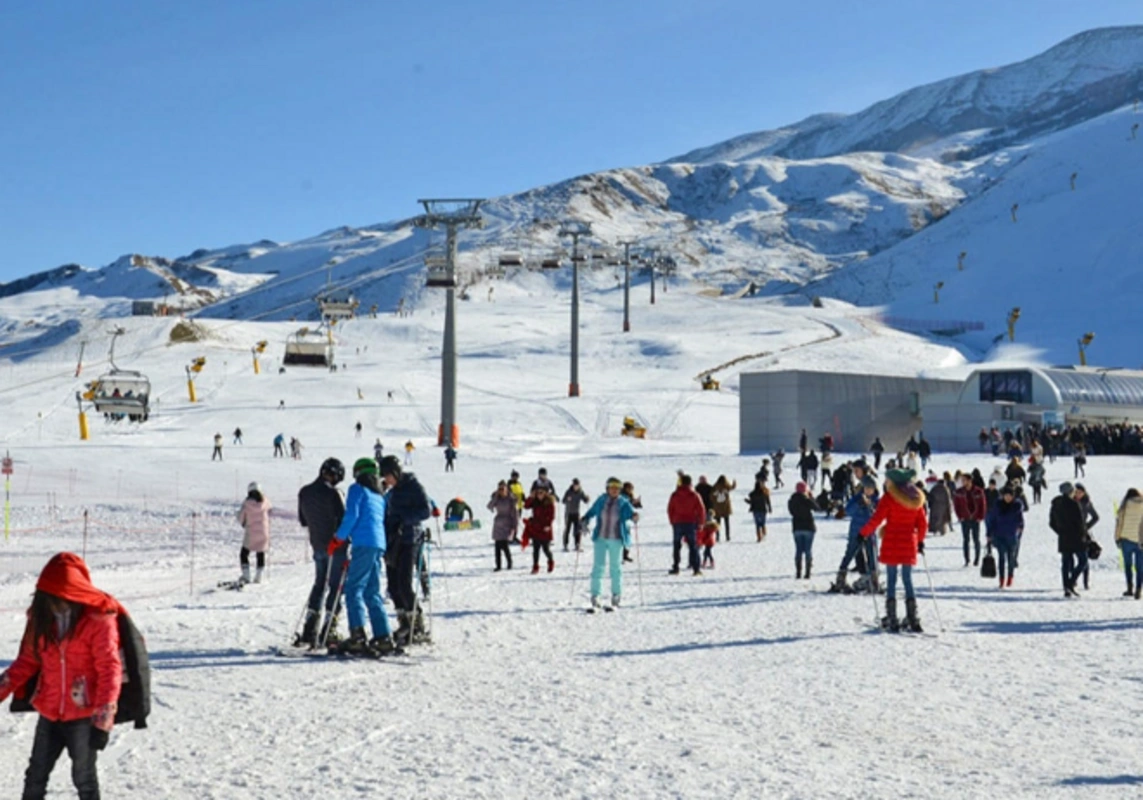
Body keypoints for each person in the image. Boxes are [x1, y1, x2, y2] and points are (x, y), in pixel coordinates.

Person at [0, 553, 124, 800]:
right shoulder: (41, 619)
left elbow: (109, 669)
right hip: (49, 711)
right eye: (49, 597)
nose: (54, 604)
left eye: (59, 597)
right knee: (35, 775)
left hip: (83, 715)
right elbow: (28, 660)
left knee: (84, 778)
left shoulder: (98, 620)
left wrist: (103, 719)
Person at [330, 457, 400, 656]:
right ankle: (383, 636)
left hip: (363, 543)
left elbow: (351, 516)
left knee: (353, 589)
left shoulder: (357, 489)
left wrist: (338, 538)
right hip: (378, 544)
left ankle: (357, 635)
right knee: (372, 591)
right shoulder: (379, 496)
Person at [860, 468, 928, 632]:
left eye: (887, 480)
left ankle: (892, 617)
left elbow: (877, 519)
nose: (885, 482)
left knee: (891, 579)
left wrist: (863, 533)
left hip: (892, 542)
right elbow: (922, 523)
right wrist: (920, 541)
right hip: (909, 543)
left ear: (894, 482)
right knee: (907, 578)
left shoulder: (889, 498)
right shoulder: (916, 498)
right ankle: (912, 617)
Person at [379, 455, 432, 646]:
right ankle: (404, 621)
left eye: (387, 475)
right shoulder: (391, 492)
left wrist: (403, 518)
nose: (386, 480)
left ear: (396, 472)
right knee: (393, 586)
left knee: (404, 584)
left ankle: (417, 624)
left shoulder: (413, 486)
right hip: (394, 540)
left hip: (410, 539)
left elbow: (425, 510)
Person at [296, 458, 347, 647]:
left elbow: (303, 520)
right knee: (335, 585)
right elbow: (344, 519)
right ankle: (329, 627)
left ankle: (310, 627)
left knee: (319, 584)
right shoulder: (334, 494)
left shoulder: (305, 492)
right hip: (336, 545)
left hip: (317, 544)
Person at [582, 477, 639, 609]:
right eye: (612, 488)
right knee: (598, 567)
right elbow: (592, 511)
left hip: (616, 539)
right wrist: (585, 518)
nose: (614, 491)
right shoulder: (601, 500)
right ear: (607, 489)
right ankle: (595, 595)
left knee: (615, 568)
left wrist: (635, 516)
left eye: (617, 489)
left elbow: (632, 513)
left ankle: (616, 595)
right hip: (600, 538)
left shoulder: (623, 502)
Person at [832, 475, 880, 593]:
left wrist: (871, 507)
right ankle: (841, 577)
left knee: (872, 555)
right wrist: (859, 504)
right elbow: (848, 511)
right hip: (856, 531)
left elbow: (879, 515)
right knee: (850, 553)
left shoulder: (876, 500)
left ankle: (873, 580)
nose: (869, 491)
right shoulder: (857, 498)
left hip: (870, 532)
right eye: (867, 488)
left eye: (871, 488)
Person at [1049, 482, 1087, 598]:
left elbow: (1051, 523)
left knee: (1065, 563)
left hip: (1063, 537)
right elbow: (1080, 523)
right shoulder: (1074, 504)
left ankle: (1066, 586)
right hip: (1076, 538)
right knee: (1083, 561)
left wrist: (1060, 531)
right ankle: (1071, 581)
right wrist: (1083, 535)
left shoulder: (1056, 504)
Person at [986, 484, 1025, 588]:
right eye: (1006, 495)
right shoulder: (998, 506)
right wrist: (989, 533)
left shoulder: (1017, 506)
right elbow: (991, 520)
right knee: (1001, 558)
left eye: (1010, 496)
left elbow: (1020, 520)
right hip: (999, 535)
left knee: (1011, 558)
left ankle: (1010, 577)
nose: (1008, 497)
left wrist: (1020, 528)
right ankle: (1002, 579)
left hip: (1012, 535)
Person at [667, 474, 705, 576]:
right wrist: (701, 522)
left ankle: (676, 567)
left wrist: (672, 521)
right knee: (693, 546)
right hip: (691, 523)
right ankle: (696, 568)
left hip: (677, 523)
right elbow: (701, 509)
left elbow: (670, 509)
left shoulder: (675, 495)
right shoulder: (694, 495)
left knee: (676, 546)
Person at [237, 482, 272, 584]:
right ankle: (258, 577)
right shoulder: (265, 502)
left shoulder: (246, 504)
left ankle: (246, 575)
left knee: (244, 553)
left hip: (251, 533)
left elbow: (241, 518)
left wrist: (243, 523)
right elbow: (270, 509)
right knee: (260, 553)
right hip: (264, 533)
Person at [1114, 488, 1143, 599]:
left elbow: (1119, 523)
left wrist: (1117, 537)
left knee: (1128, 565)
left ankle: (1130, 588)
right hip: (1140, 540)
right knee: (1140, 567)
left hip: (1126, 539)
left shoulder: (1125, 505)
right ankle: (1138, 590)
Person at [953, 472, 986, 567]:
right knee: (966, 540)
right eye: (962, 480)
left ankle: (977, 559)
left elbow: (983, 505)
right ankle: (967, 559)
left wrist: (980, 517)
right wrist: (960, 517)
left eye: (964, 480)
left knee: (976, 539)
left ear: (970, 481)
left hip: (975, 519)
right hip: (965, 518)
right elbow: (956, 506)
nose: (963, 482)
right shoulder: (959, 492)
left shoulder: (978, 491)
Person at [523, 484, 557, 574]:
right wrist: (530, 497)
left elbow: (551, 516)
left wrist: (548, 525)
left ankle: (550, 561)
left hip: (545, 529)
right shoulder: (534, 501)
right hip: (536, 528)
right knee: (536, 549)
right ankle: (535, 566)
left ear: (545, 493)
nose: (539, 495)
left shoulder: (549, 502)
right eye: (537, 493)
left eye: (541, 493)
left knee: (546, 549)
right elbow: (526, 506)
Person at [788, 481, 819, 579]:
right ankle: (807, 573)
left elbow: (791, 512)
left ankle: (798, 572)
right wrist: (811, 498)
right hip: (808, 527)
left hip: (797, 527)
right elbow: (817, 508)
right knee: (808, 550)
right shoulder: (807, 500)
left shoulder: (792, 500)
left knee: (798, 550)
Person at [1074, 483, 1100, 590]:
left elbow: (1096, 517)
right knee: (1072, 558)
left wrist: (1087, 526)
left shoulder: (1086, 503)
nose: (1078, 494)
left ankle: (1085, 582)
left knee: (1084, 558)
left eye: (1080, 492)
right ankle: (1073, 580)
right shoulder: (1071, 502)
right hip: (1072, 533)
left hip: (1083, 534)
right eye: (1076, 492)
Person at [488, 481, 519, 571]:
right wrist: (495, 497)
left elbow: (515, 514)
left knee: (505, 545)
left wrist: (515, 525)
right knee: (497, 545)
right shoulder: (497, 498)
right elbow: (489, 506)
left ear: (506, 489)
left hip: (507, 522)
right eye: (500, 489)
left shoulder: (511, 499)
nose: (501, 491)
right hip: (498, 523)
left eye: (503, 489)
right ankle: (498, 565)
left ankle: (509, 562)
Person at [561, 478, 590, 552]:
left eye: (577, 485)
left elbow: (585, 500)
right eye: (575, 485)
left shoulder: (580, 492)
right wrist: (567, 499)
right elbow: (563, 501)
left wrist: (587, 499)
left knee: (577, 530)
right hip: (568, 513)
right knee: (567, 529)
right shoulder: (568, 492)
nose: (576, 487)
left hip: (576, 513)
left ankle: (577, 544)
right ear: (573, 485)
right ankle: (565, 545)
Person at [709, 475, 737, 541]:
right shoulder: (726, 486)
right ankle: (728, 536)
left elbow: (711, 496)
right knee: (727, 523)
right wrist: (734, 483)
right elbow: (732, 487)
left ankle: (717, 537)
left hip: (717, 508)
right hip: (726, 508)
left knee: (717, 523)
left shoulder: (715, 486)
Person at [620, 482, 642, 562]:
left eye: (632, 489)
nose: (631, 490)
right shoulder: (622, 496)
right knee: (622, 538)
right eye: (629, 489)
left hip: (626, 520)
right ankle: (621, 556)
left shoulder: (629, 496)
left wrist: (637, 503)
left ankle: (625, 555)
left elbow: (632, 505)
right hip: (620, 519)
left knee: (627, 538)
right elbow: (627, 505)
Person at [747, 478, 772, 542]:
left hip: (756, 510)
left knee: (757, 525)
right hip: (763, 510)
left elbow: (751, 502)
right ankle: (764, 534)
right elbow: (768, 501)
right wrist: (770, 508)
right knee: (763, 523)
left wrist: (747, 501)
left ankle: (759, 537)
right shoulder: (765, 493)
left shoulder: (753, 494)